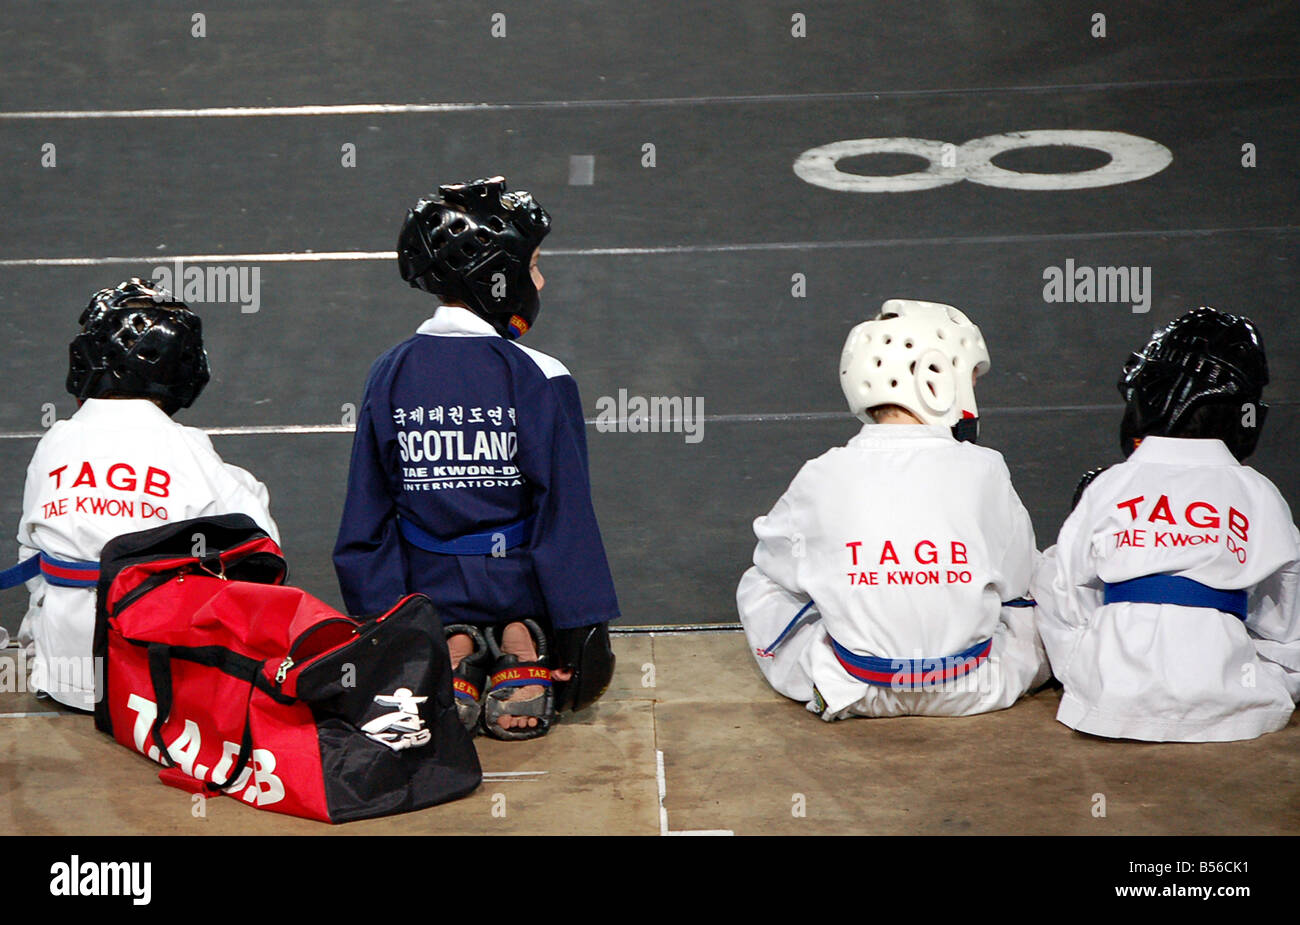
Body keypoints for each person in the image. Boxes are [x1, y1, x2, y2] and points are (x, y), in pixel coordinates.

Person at [333, 177, 619, 741]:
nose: (541, 279)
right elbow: (565, 516)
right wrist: (581, 627)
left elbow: (366, 512)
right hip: (519, 579)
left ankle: (450, 644)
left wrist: (388, 630)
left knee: (434, 593)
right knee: (526, 550)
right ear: (498, 276)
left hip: (427, 581)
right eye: (534, 264)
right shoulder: (541, 375)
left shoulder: (388, 373)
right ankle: (520, 635)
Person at [738, 299, 1048, 720]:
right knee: (1041, 580)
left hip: (855, 688)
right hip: (973, 687)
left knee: (764, 581)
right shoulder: (985, 467)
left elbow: (774, 563)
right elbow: (1017, 581)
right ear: (937, 378)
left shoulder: (822, 472)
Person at [3, 279, 278, 711]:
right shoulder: (187, 450)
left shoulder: (55, 443)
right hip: (155, 682)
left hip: (61, 676)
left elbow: (30, 555)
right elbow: (263, 549)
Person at [1032, 307, 1300, 741]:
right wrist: (1271, 678)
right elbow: (1289, 615)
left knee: (1048, 566)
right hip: (1230, 700)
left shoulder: (1112, 484)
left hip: (1111, 696)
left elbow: (1064, 590)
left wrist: (1087, 666)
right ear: (1243, 410)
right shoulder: (1257, 492)